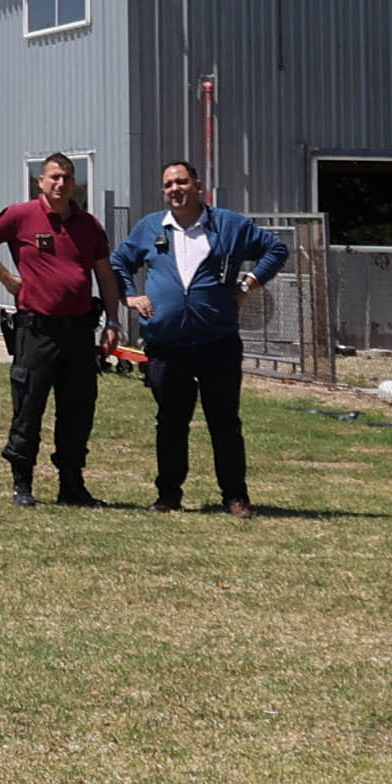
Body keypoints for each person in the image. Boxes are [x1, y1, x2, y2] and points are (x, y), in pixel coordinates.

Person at [111, 160, 289, 517]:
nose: (175, 189)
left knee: (224, 422)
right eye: (168, 185)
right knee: (170, 422)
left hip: (217, 343)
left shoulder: (229, 225)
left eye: (181, 182)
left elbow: (276, 249)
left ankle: (235, 497)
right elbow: (119, 262)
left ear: (197, 185)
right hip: (167, 345)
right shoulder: (151, 228)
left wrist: (247, 284)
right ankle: (168, 495)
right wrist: (129, 294)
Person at [0, 152, 121, 508]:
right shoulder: (22, 215)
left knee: (78, 410)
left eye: (66, 177)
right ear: (41, 181)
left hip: (80, 333)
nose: (60, 183)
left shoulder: (89, 225)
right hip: (37, 332)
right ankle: (23, 484)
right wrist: (8, 279)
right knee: (28, 407)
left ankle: (72, 485)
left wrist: (113, 321)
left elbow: (105, 276)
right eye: (54, 176)